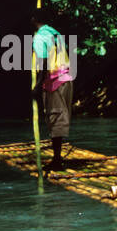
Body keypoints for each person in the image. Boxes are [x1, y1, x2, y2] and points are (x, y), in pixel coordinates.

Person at [30, 12, 75, 171]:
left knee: (55, 119)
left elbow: (43, 61)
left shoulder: (40, 37)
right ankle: (57, 157)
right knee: (60, 117)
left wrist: (38, 85)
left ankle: (57, 160)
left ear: (34, 20)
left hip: (54, 82)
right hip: (67, 79)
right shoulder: (56, 33)